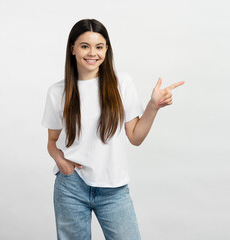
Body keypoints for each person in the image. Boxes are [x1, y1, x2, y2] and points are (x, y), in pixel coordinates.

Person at [41, 18, 184, 240]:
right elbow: (52, 141)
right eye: (85, 46)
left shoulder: (121, 83)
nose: (92, 53)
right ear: (72, 49)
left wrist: (153, 107)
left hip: (113, 188)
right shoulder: (57, 92)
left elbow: (135, 137)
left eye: (99, 47)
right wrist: (62, 162)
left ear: (107, 49)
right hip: (71, 186)